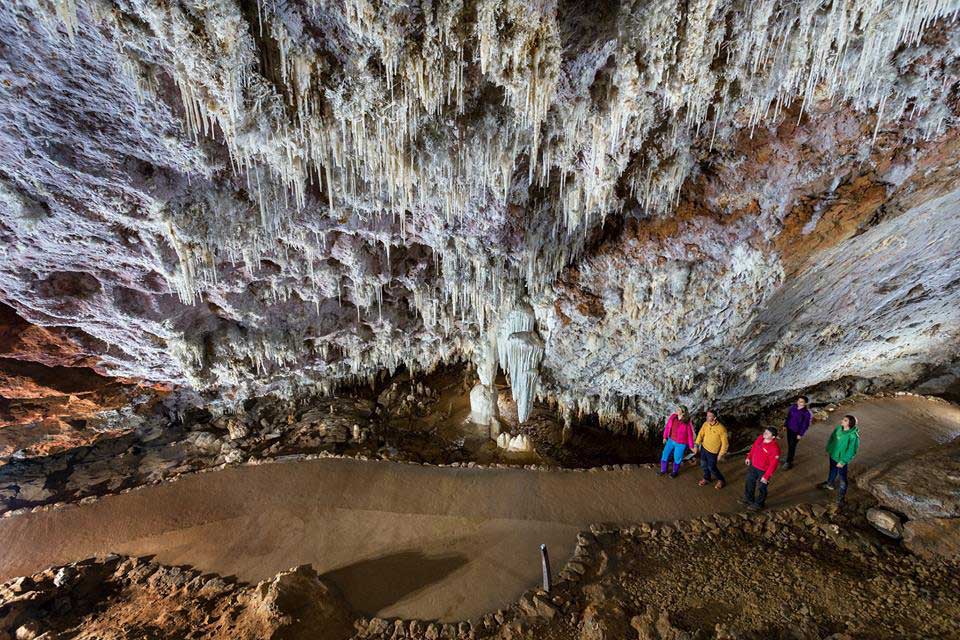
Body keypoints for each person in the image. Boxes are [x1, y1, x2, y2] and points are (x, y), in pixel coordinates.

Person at [819, 414, 861, 505]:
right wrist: (829, 449)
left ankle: (840, 498)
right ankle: (829, 484)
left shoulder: (853, 436)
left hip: (841, 460)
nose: (842, 420)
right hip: (833, 455)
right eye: (843, 419)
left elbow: (852, 451)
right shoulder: (838, 429)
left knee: (843, 479)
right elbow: (832, 438)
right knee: (832, 470)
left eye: (845, 420)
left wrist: (843, 461)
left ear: (850, 423)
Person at [741, 427, 781, 511]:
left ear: (773, 437)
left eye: (768, 433)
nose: (765, 433)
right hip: (753, 466)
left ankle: (759, 504)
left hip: (763, 471)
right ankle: (748, 498)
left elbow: (773, 464)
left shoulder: (775, 448)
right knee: (749, 482)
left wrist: (766, 476)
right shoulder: (760, 438)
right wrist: (749, 457)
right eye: (765, 431)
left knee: (762, 487)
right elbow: (754, 448)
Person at [694, 408, 729, 489]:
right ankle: (707, 478)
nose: (707, 417)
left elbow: (725, 444)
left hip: (713, 452)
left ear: (715, 418)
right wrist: (697, 443)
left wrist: (721, 454)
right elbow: (700, 434)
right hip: (704, 448)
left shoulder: (721, 429)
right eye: (707, 415)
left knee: (712, 467)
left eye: (709, 416)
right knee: (703, 465)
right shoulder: (705, 424)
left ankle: (721, 480)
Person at [659, 405, 695, 478]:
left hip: (681, 443)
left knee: (677, 457)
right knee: (665, 453)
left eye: (679, 409)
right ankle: (663, 470)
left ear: (683, 412)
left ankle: (675, 472)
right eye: (677, 409)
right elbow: (667, 427)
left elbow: (690, 435)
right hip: (671, 440)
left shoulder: (687, 422)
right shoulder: (673, 417)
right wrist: (665, 437)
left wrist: (691, 446)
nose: (676, 410)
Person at [783, 395, 813, 469]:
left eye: (801, 402)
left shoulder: (806, 413)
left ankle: (789, 462)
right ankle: (788, 457)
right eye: (798, 401)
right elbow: (789, 416)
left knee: (792, 446)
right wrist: (785, 425)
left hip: (796, 432)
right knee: (790, 444)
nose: (799, 403)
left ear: (805, 403)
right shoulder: (793, 407)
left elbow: (805, 425)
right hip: (790, 429)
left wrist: (800, 434)